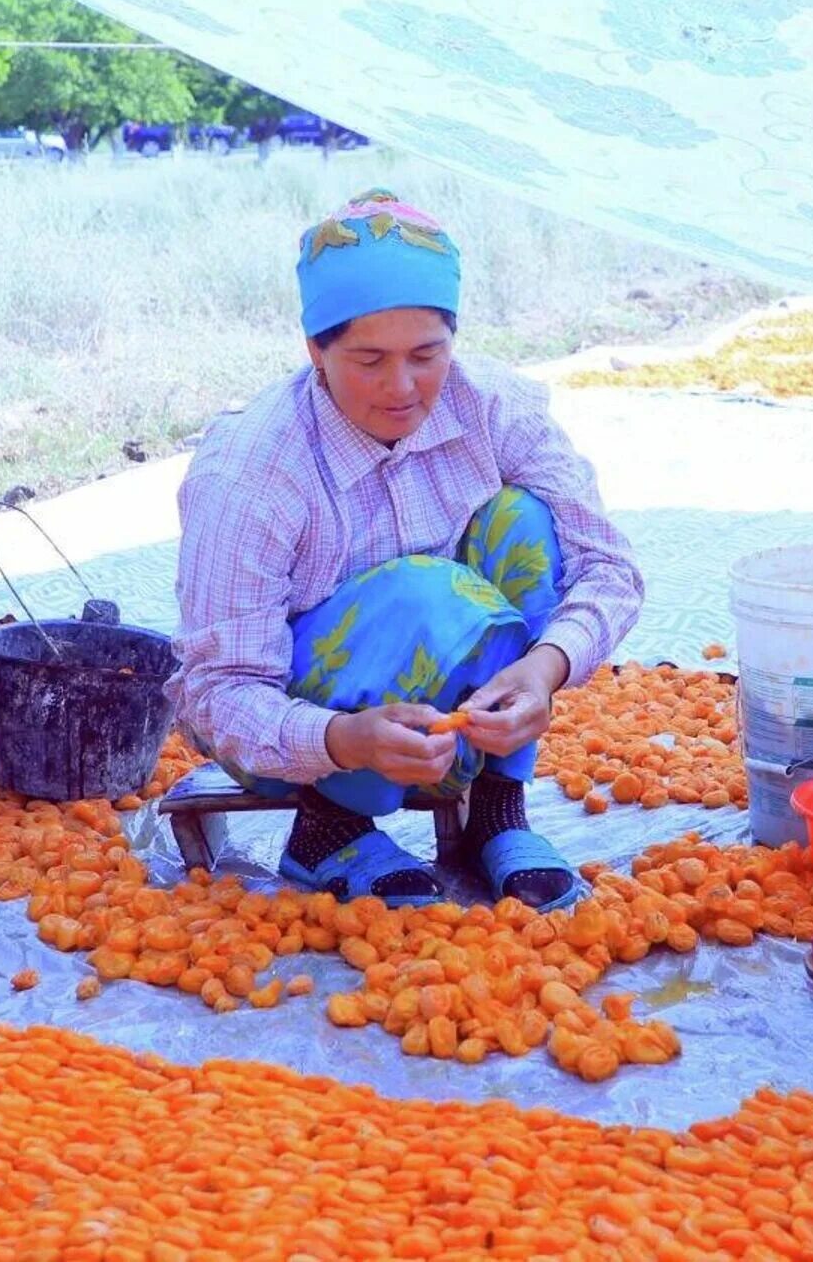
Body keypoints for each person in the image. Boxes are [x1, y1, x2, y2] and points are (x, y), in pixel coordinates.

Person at [170, 189, 644, 911]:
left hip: (452, 713)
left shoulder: (491, 408)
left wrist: (545, 669)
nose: (402, 387)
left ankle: (496, 808)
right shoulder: (255, 472)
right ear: (315, 352)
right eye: (368, 360)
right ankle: (329, 826)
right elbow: (216, 694)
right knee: (430, 592)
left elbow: (608, 564)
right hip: (300, 731)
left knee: (523, 522)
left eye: (427, 355)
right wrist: (342, 738)